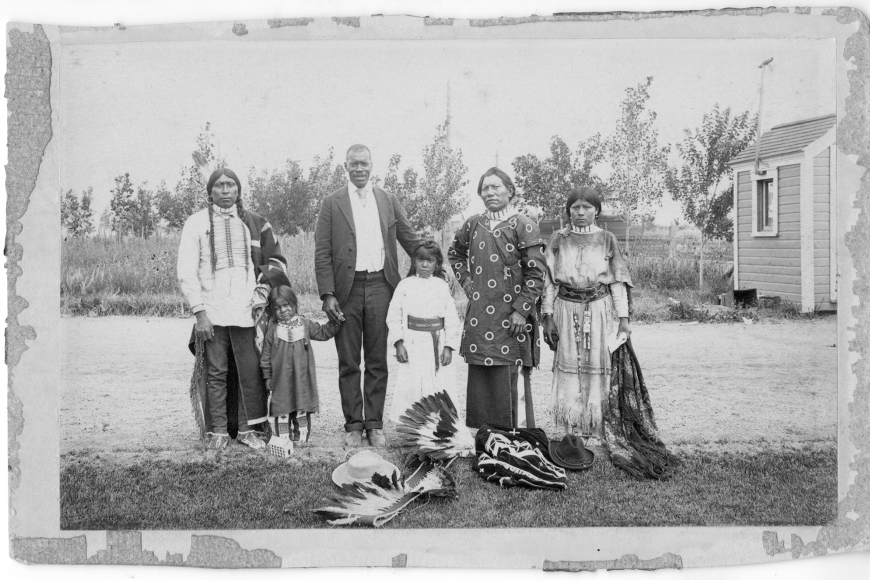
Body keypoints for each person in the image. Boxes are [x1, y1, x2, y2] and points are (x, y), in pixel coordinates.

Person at [314, 144, 420, 448]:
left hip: (381, 287)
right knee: (349, 361)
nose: (359, 169)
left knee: (377, 359)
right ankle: (353, 425)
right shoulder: (331, 203)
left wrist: (431, 270)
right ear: (345, 167)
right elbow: (322, 251)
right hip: (346, 291)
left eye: (364, 164)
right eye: (353, 164)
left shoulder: (387, 199)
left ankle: (374, 424)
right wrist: (327, 293)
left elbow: (410, 239)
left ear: (372, 165)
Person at [178, 167, 287, 451]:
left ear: (238, 190)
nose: (226, 190)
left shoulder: (254, 222)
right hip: (211, 311)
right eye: (220, 185)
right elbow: (186, 271)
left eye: (231, 185)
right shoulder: (196, 223)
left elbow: (276, 262)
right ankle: (218, 432)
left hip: (246, 310)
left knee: (249, 371)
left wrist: (262, 293)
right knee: (216, 371)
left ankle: (247, 429)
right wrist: (199, 311)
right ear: (210, 191)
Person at [448, 167, 546, 430]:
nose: (489, 192)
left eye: (496, 187)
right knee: (481, 374)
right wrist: (468, 282)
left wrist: (521, 310)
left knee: (510, 372)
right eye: (485, 188)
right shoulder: (473, 223)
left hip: (512, 316)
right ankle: (484, 434)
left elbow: (537, 273)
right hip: (480, 314)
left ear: (510, 191)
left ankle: (515, 435)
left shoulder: (524, 225)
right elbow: (454, 253)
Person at [540, 186, 633, 446]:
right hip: (566, 308)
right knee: (569, 361)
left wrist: (623, 319)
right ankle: (572, 424)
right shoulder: (558, 239)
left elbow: (617, 282)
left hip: (599, 308)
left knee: (596, 361)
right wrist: (547, 316)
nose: (581, 212)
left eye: (587, 207)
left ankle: (595, 423)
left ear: (597, 211)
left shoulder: (607, 239)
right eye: (575, 208)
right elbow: (548, 282)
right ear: (568, 211)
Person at [386, 240, 461, 423]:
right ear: (414, 261)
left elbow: (451, 319)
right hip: (412, 343)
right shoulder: (405, 285)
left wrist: (449, 346)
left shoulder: (441, 286)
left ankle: (438, 426)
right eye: (420, 260)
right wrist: (399, 343)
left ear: (437, 263)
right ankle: (412, 427)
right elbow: (393, 315)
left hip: (436, 343)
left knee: (438, 384)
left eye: (430, 261)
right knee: (411, 384)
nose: (425, 265)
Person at [260, 285, 341, 443]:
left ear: (294, 304)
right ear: (272, 310)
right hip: (281, 382)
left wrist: (335, 322)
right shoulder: (273, 330)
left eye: (286, 305)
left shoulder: (304, 323)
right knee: (282, 410)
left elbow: (322, 333)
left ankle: (301, 442)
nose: (283, 310)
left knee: (301, 409)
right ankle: (283, 442)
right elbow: (266, 356)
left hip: (302, 380)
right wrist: (267, 377)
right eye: (277, 308)